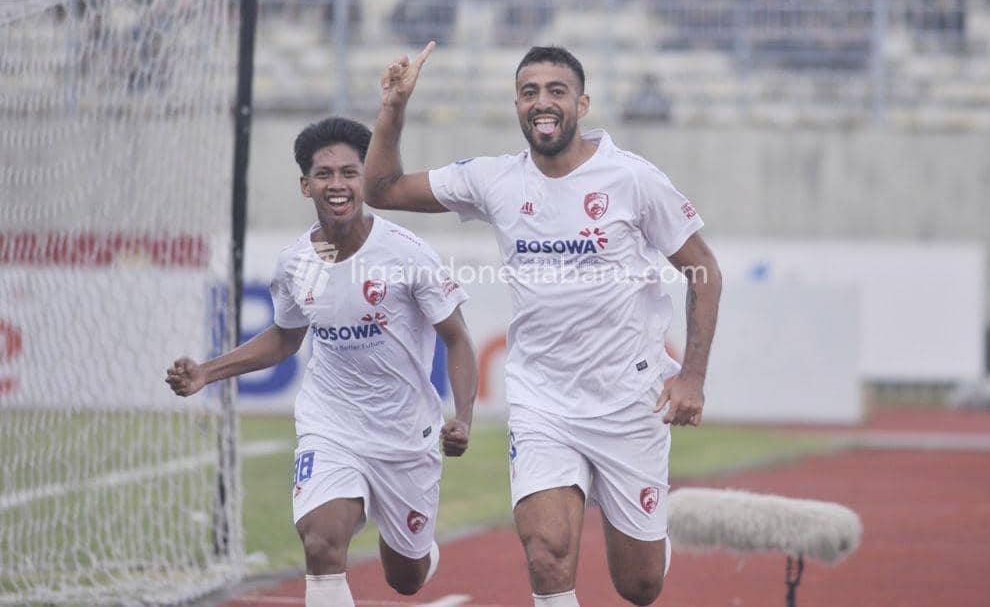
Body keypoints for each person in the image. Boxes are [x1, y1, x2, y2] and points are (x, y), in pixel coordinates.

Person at [364, 43, 722, 606]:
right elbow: (380, 189)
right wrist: (393, 109)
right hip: (542, 401)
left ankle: (646, 542)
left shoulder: (632, 179)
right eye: (529, 92)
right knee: (546, 553)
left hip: (630, 400)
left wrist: (693, 377)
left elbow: (703, 271)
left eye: (556, 90)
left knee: (640, 586)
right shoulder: (494, 179)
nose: (542, 102)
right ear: (517, 106)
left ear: (581, 102)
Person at [165, 116, 477, 607]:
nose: (338, 184)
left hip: (404, 435)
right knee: (321, 543)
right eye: (325, 173)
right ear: (305, 183)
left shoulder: (408, 254)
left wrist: (463, 417)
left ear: (363, 179)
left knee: (406, 578)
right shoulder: (294, 264)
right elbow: (286, 337)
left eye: (350, 172)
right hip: (331, 425)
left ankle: (418, 553)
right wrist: (208, 371)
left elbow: (457, 339)